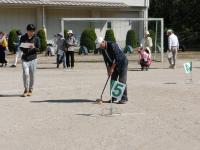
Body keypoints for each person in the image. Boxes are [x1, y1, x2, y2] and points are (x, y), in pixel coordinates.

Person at [96, 37, 128, 104]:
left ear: (103, 42)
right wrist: (108, 71)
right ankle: (114, 97)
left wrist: (112, 68)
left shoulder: (112, 45)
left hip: (122, 62)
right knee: (113, 80)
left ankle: (124, 98)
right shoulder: (103, 49)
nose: (100, 47)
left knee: (121, 80)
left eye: (100, 45)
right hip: (113, 64)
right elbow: (106, 61)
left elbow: (117, 57)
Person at [20, 24, 40, 97]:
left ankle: (30, 90)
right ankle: (25, 89)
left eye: (32, 31)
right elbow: (21, 47)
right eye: (29, 31)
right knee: (26, 74)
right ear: (27, 31)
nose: (31, 32)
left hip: (33, 59)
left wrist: (33, 47)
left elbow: (39, 48)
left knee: (32, 75)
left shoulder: (37, 38)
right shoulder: (23, 37)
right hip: (25, 58)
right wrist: (25, 46)